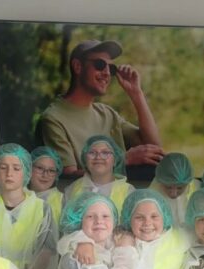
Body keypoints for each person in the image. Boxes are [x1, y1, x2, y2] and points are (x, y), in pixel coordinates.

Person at [39, 39, 164, 177]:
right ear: (78, 66)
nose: (107, 73)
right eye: (100, 65)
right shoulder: (53, 119)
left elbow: (154, 148)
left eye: (111, 68)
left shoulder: (107, 113)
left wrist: (137, 94)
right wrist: (123, 160)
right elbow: (69, 178)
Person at [63, 135, 134, 210]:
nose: (98, 157)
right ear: (85, 159)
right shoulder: (72, 189)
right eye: (92, 153)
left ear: (115, 160)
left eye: (105, 153)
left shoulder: (129, 192)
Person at [148, 152, 200, 227]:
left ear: (188, 182)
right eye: (168, 187)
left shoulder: (198, 188)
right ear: (160, 181)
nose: (173, 194)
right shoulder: (150, 194)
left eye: (180, 188)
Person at [29, 145, 64, 226]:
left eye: (51, 171)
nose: (45, 175)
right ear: (29, 168)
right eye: (40, 168)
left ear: (56, 175)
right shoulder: (16, 197)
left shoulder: (63, 201)